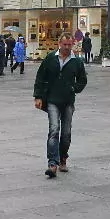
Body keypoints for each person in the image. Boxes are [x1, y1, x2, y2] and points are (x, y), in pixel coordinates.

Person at [33, 34, 88, 178]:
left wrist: (74, 88)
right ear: (59, 44)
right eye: (65, 45)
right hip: (52, 99)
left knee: (66, 133)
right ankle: (52, 164)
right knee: (54, 130)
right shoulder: (51, 58)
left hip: (68, 101)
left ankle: (63, 158)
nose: (67, 48)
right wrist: (38, 96)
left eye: (70, 45)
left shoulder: (77, 61)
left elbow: (82, 80)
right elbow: (40, 77)